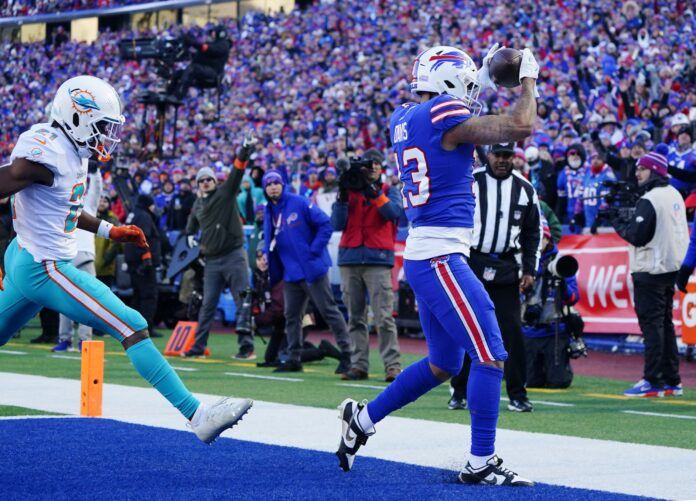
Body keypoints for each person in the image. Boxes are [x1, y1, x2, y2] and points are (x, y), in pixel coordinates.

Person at [0, 75, 251, 442]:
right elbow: (13, 180)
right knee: (131, 324)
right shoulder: (47, 153)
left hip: (27, 259)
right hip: (45, 267)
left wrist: (109, 230)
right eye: (102, 125)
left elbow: (64, 208)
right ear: (76, 116)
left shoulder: (67, 150)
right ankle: (197, 416)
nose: (106, 134)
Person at [335, 44, 538, 486]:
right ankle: (481, 460)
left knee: (444, 363)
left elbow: (456, 108)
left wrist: (483, 73)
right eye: (463, 83)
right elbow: (521, 125)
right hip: (442, 256)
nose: (469, 92)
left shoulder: (405, 117)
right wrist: (528, 80)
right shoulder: (444, 112)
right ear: (447, 84)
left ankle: (362, 420)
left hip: (425, 254)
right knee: (489, 354)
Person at [448, 142, 541, 413]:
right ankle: (459, 390)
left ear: (513, 157)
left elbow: (532, 233)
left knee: (511, 329)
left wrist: (530, 270)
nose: (501, 160)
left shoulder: (525, 189)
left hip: (506, 265)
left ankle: (517, 393)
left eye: (507, 155)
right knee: (468, 326)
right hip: (472, 261)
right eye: (497, 155)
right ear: (487, 155)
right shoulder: (471, 181)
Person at [609, 146, 687, 398]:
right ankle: (671, 380)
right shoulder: (674, 192)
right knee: (665, 325)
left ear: (654, 171)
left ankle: (652, 379)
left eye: (642, 169)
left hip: (650, 269)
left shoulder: (651, 199)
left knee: (652, 327)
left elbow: (637, 236)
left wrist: (618, 222)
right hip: (670, 268)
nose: (637, 173)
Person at [262, 170, 353, 374]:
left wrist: (313, 251)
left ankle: (348, 354)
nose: (273, 186)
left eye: (276, 182)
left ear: (283, 184)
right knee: (292, 316)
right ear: (264, 189)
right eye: (268, 184)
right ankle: (294, 358)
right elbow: (271, 241)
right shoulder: (269, 211)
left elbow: (325, 225)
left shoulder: (299, 202)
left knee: (328, 310)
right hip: (291, 273)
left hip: (312, 269)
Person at [331, 149, 403, 382]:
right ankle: (358, 364)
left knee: (383, 317)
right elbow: (337, 223)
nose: (370, 169)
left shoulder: (388, 190)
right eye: (366, 165)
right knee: (355, 317)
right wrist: (342, 194)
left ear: (381, 168)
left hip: (377, 260)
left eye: (374, 165)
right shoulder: (349, 190)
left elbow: (393, 213)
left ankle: (392, 366)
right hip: (350, 258)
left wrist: (371, 191)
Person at [182, 135, 257, 359]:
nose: (206, 182)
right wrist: (190, 237)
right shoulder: (198, 203)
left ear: (215, 180)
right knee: (207, 306)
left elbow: (237, 172)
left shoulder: (225, 192)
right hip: (212, 260)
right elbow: (190, 225)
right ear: (197, 185)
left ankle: (247, 347)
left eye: (209, 179)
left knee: (242, 301)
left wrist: (244, 150)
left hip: (234, 255)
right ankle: (198, 347)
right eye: (201, 180)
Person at [522, 224, 582, 389]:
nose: (536, 242)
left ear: (547, 239)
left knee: (559, 382)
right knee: (530, 382)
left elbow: (574, 298)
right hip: (528, 330)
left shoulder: (561, 262)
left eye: (540, 238)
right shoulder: (522, 259)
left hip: (554, 330)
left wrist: (561, 283)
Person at [53, 167, 103, 351]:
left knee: (87, 300)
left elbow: (95, 190)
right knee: (65, 302)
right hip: (65, 255)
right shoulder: (61, 206)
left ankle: (84, 340)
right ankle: (65, 339)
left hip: (81, 256)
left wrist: (95, 173)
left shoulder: (87, 206)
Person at [125, 194, 162, 338]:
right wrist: (146, 258)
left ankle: (134, 327)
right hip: (142, 262)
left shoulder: (133, 214)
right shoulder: (144, 216)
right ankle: (146, 328)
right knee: (149, 295)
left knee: (138, 295)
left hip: (133, 260)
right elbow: (142, 238)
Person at [173, 25, 231, 100]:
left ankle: (178, 96)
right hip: (205, 69)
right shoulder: (214, 43)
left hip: (213, 72)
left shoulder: (223, 45)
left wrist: (193, 43)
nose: (212, 34)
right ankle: (170, 95)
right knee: (179, 73)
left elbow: (207, 49)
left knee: (193, 69)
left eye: (214, 32)